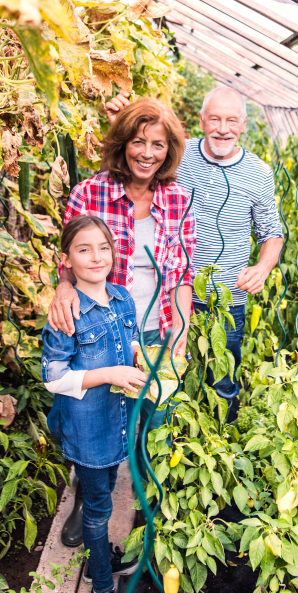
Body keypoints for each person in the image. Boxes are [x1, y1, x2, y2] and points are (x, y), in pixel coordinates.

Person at [47, 97, 196, 545]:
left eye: (158, 144)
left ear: (169, 150)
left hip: (155, 326)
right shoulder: (89, 192)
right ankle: (89, 499)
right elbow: (68, 263)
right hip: (99, 330)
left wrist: (181, 330)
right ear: (122, 144)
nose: (147, 153)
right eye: (138, 142)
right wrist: (62, 287)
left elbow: (182, 273)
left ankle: (145, 511)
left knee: (150, 416)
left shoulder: (178, 199)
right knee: (94, 418)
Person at [105, 86, 283, 416]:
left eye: (232, 120)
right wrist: (122, 126)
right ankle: (173, 438)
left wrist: (263, 268)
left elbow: (272, 232)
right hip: (168, 295)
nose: (223, 128)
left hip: (225, 298)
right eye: (214, 119)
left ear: (244, 125)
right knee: (166, 378)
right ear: (201, 121)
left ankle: (220, 438)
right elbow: (132, 166)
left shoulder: (259, 173)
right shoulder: (176, 154)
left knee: (221, 377)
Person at [41, 215, 147, 593]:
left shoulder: (122, 298)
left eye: (103, 247)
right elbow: (54, 377)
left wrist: (145, 355)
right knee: (99, 508)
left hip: (116, 421)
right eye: (83, 249)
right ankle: (101, 587)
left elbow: (130, 340)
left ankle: (99, 557)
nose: (96, 257)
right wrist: (111, 373)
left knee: (104, 490)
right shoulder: (66, 311)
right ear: (66, 259)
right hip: (88, 429)